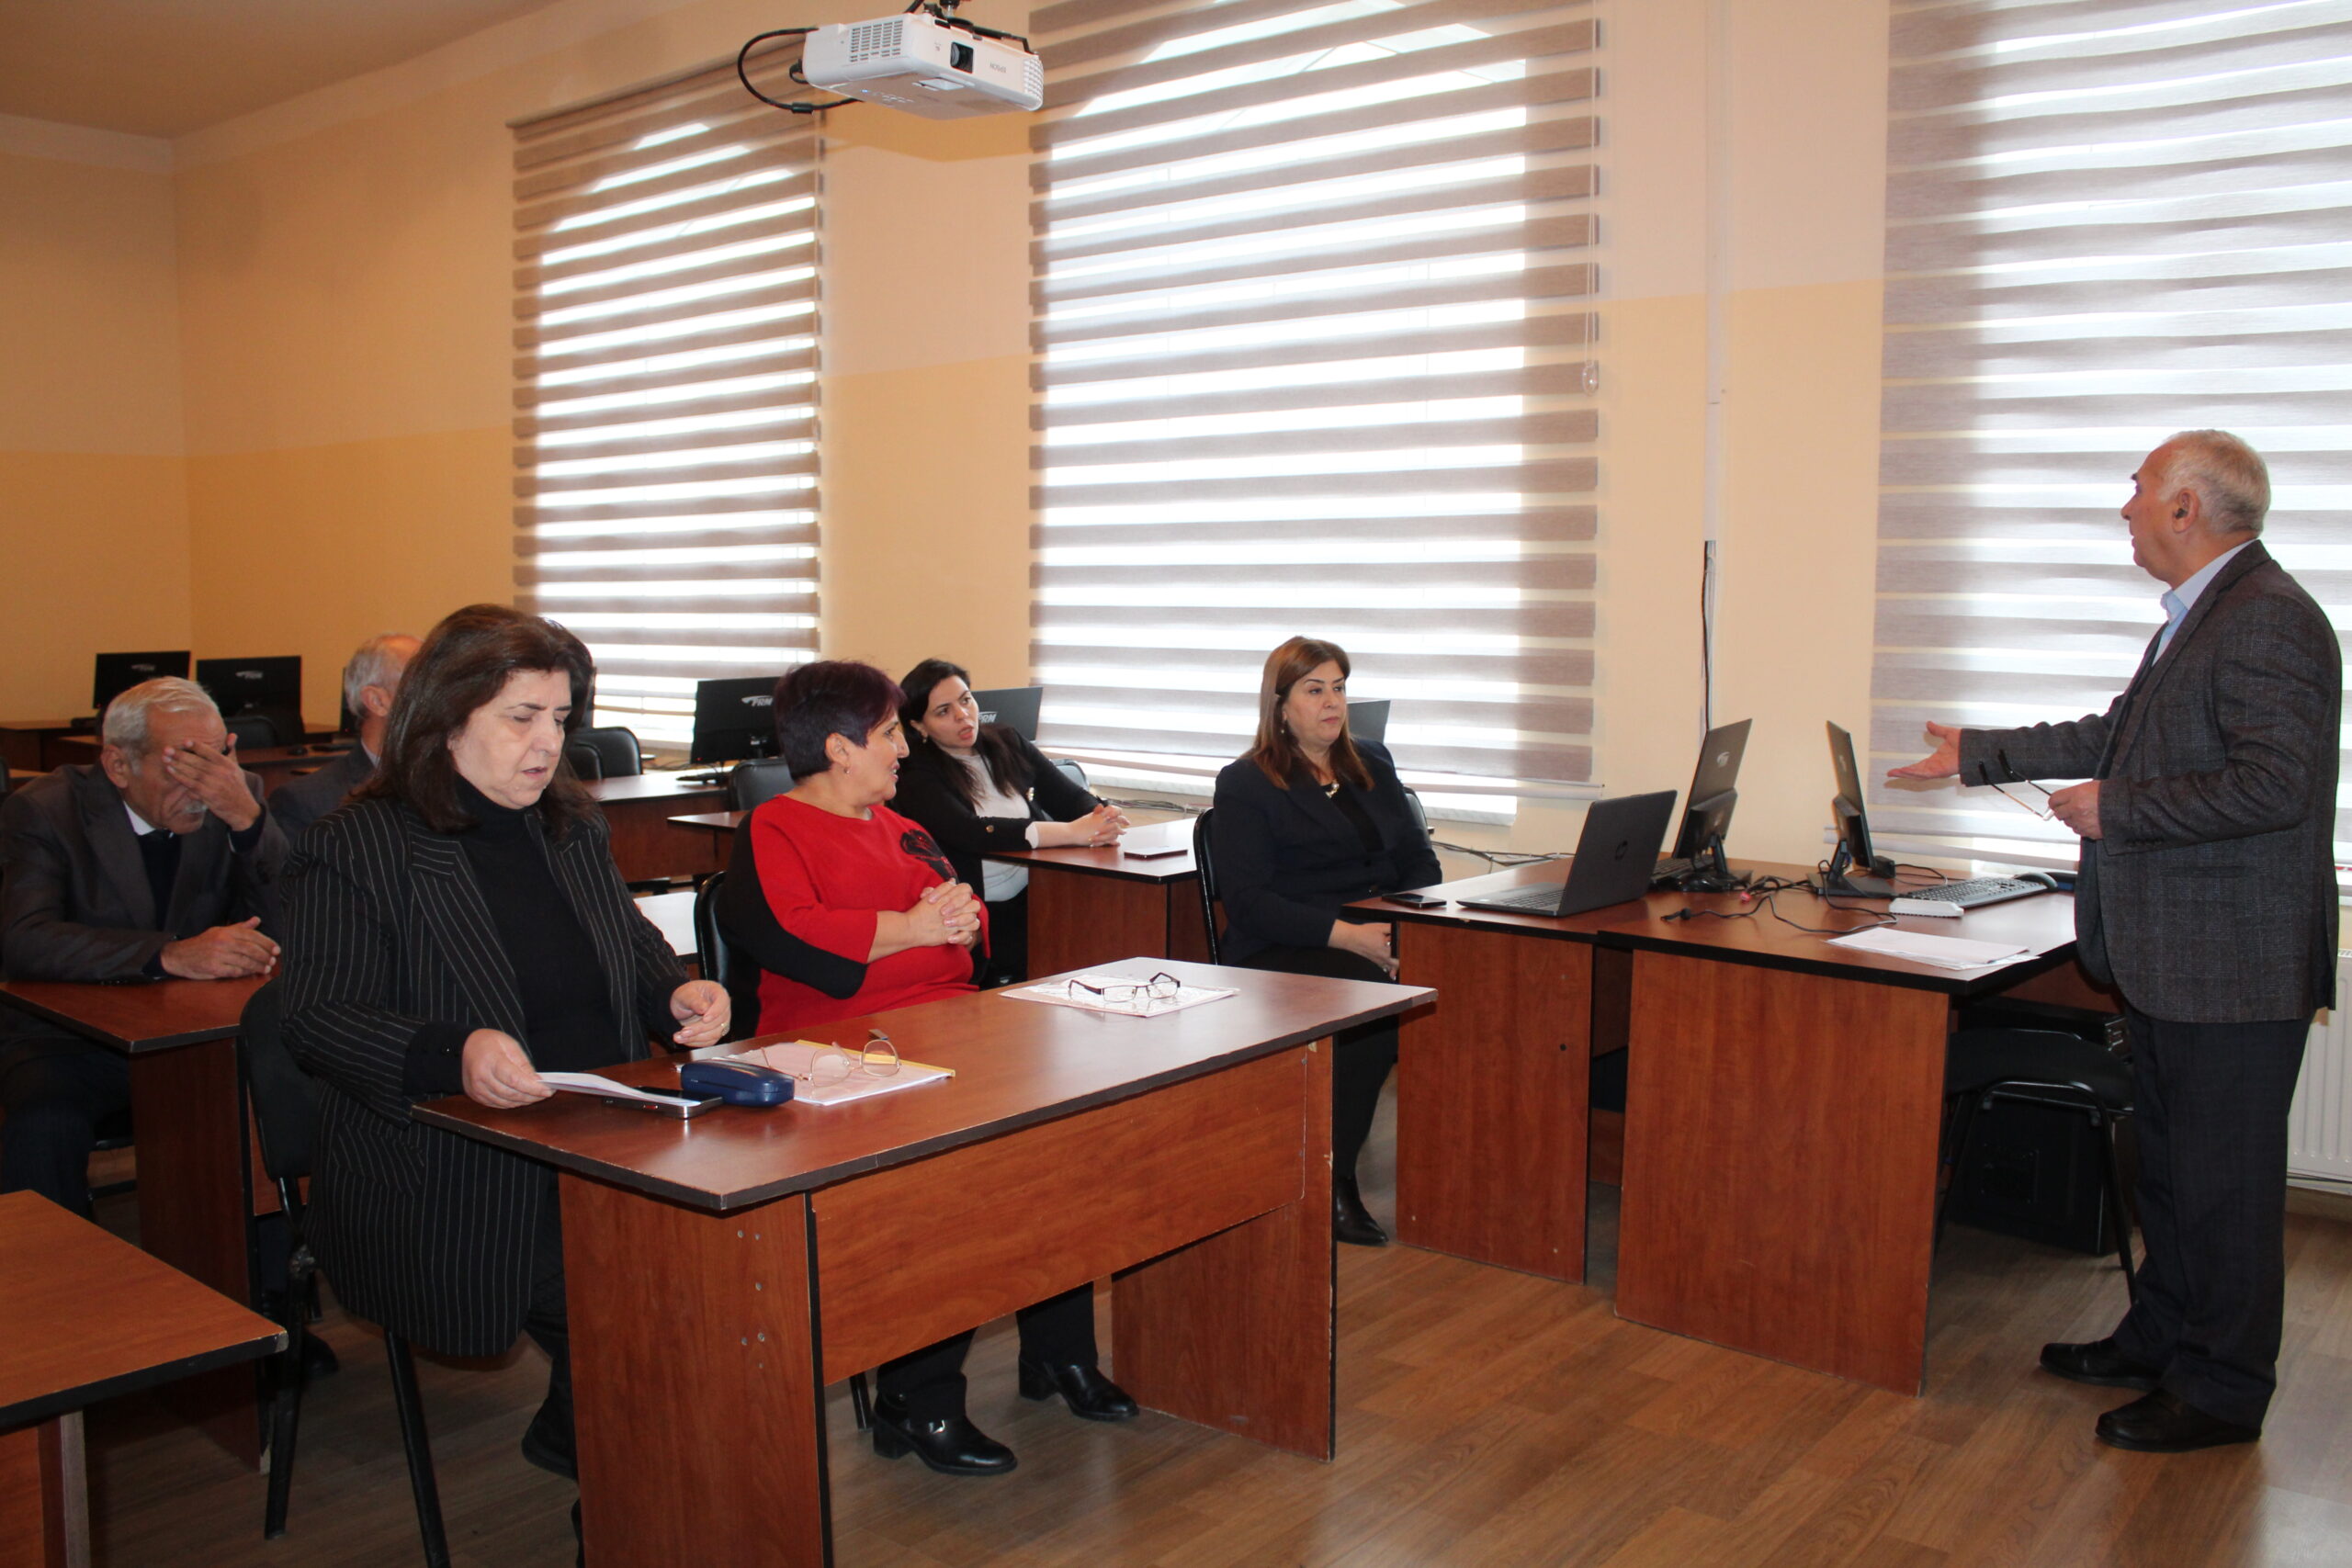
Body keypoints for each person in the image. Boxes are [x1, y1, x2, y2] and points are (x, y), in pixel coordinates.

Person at [1892, 431, 2337, 1454]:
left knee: (2224, 1188)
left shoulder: (2267, 618)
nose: (2125, 507)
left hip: (2232, 964)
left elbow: (2274, 786)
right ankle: (2162, 1339)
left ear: (2188, 508)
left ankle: (2220, 1390)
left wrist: (2116, 809)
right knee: (2174, 1175)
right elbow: (2119, 732)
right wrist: (1981, 753)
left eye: (2138, 489)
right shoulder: (2203, 615)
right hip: (2181, 956)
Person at [279, 604, 729, 1532]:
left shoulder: (568, 825)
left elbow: (627, 943)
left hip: (599, 1136)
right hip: (451, 1165)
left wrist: (674, 996)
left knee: (726, 1280)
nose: (548, 742)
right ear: (446, 720)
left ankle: (591, 1442)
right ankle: (622, 1513)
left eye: (560, 718)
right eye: (521, 717)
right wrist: (454, 1051)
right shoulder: (358, 843)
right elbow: (318, 1017)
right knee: (648, 1322)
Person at [716, 659, 1136, 1478]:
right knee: (951, 1192)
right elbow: (801, 941)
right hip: (838, 1053)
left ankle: (1058, 1354)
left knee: (1059, 1147)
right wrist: (911, 928)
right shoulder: (773, 829)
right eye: (887, 734)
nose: (903, 749)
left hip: (946, 1028)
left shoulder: (897, 822)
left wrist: (940, 923)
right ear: (838, 748)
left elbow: (966, 916)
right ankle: (918, 1401)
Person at [1, 677, 287, 1212]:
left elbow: (293, 925)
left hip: (195, 1034)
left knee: (279, 1096)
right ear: (118, 765)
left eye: (217, 757)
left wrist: (247, 821)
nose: (206, 783)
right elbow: (25, 939)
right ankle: (57, 1262)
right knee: (45, 1121)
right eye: (184, 763)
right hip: (68, 1040)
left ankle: (262, 1263)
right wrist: (167, 954)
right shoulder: (46, 810)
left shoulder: (234, 793)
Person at [1211, 637, 1438, 1247]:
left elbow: (1418, 859)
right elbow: (1250, 901)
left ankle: (1448, 1171)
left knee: (1469, 975)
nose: (1333, 702)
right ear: (1280, 705)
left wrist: (1408, 922)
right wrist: (1350, 937)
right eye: (1315, 690)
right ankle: (1332, 1180)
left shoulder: (1372, 761)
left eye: (1339, 688)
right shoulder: (1247, 783)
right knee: (1372, 1002)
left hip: (1374, 929)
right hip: (1284, 945)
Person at [890, 658, 1127, 985]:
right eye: (943, 711)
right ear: (919, 726)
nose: (962, 715)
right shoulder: (914, 773)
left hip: (1038, 895)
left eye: (966, 700)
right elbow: (973, 833)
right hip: (980, 914)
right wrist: (1071, 832)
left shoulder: (1006, 740)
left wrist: (1101, 814)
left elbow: (1069, 798)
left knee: (1102, 926)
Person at [270, 631, 420, 839]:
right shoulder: (307, 802)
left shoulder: (457, 785)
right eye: (425, 685)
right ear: (377, 701)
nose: (444, 698)